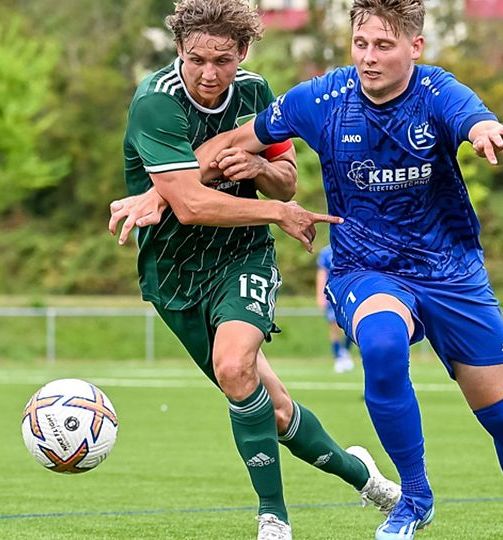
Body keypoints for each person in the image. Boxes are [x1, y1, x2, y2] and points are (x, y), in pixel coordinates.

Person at [115, 1, 503, 538]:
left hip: (450, 270)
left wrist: (498, 139)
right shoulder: (322, 98)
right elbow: (231, 142)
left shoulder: (439, 91)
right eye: (361, 45)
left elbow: (486, 129)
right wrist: (162, 193)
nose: (369, 58)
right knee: (380, 344)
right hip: (366, 268)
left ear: (414, 48)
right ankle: (414, 497)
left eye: (383, 46)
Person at [112, 1, 401, 538]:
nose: (208, 72)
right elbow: (192, 204)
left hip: (242, 254)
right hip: (173, 273)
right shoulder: (156, 103)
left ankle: (274, 517)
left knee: (233, 366)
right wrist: (278, 210)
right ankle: (365, 477)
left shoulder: (255, 93)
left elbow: (288, 179)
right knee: (275, 410)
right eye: (196, 58)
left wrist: (263, 168)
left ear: (242, 52)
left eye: (222, 59)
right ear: (179, 49)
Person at [317, 246, 355, 373]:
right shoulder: (326, 252)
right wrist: (320, 296)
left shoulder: (349, 248)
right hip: (331, 295)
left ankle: (345, 352)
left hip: (347, 294)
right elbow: (321, 274)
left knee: (349, 325)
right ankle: (338, 357)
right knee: (333, 326)